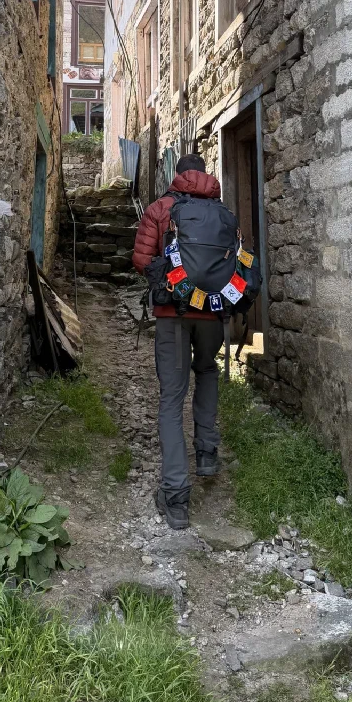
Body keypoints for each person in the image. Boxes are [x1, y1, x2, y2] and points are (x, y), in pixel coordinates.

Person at [132, 153, 225, 530]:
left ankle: (176, 499)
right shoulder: (222, 213)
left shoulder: (160, 208)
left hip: (173, 315)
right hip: (214, 314)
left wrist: (168, 278)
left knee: (172, 399)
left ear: (177, 175)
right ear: (204, 176)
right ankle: (206, 455)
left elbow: (141, 259)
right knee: (207, 371)